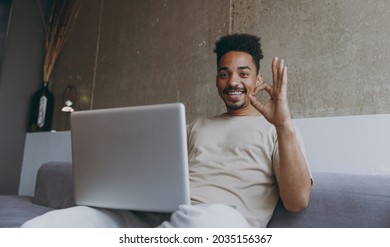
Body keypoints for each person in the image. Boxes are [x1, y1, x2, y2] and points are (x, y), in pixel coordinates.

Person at [22, 33, 311, 228]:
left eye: (243, 73)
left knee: (212, 220)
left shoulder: (279, 131)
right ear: (216, 80)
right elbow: (155, 174)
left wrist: (283, 124)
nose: (232, 81)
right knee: (55, 225)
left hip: (221, 222)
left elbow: (297, 201)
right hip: (165, 215)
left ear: (258, 79)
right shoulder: (196, 126)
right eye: (224, 73)